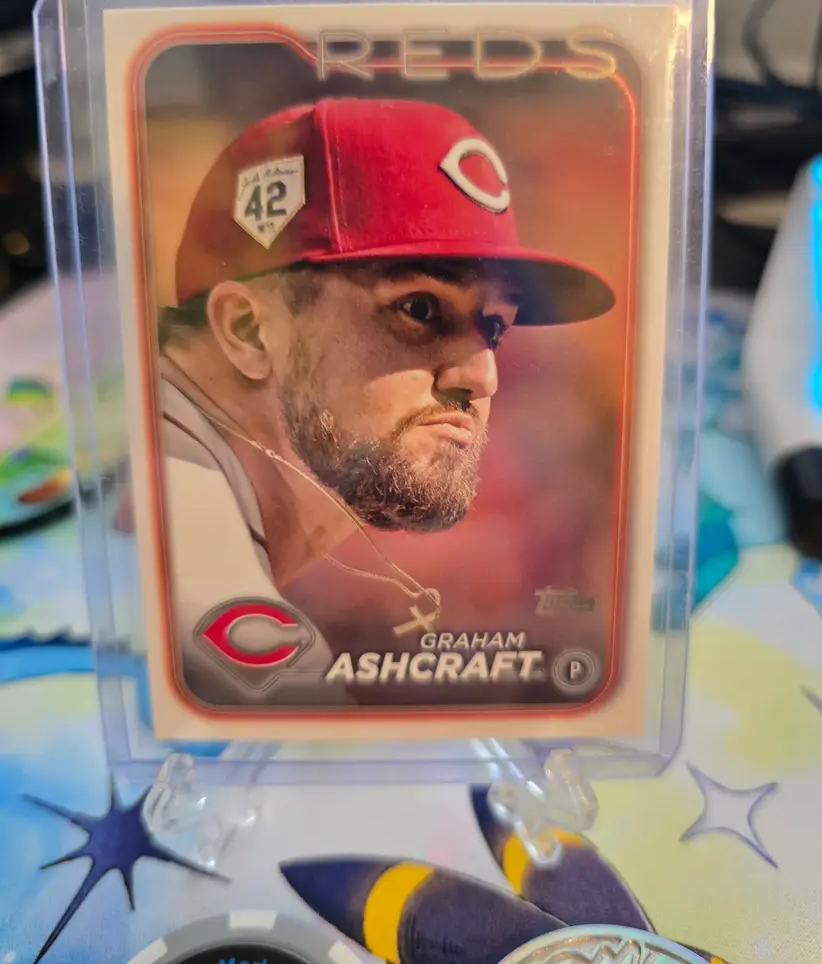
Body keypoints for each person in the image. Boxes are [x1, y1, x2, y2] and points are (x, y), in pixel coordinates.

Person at [156, 96, 614, 706]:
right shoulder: (212, 621)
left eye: (495, 328)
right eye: (419, 309)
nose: (482, 377)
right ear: (249, 330)